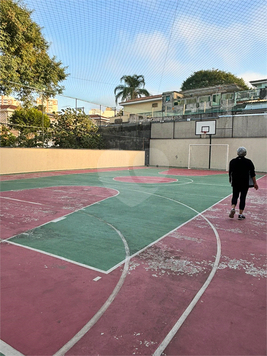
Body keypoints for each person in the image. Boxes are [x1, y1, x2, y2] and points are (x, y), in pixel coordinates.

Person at [229, 146, 258, 220]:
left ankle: (233, 208)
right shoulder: (248, 162)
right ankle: (240, 214)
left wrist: (230, 180)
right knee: (243, 198)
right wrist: (255, 183)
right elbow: (252, 174)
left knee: (235, 196)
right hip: (244, 183)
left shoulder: (232, 161)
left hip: (235, 182)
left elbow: (230, 172)